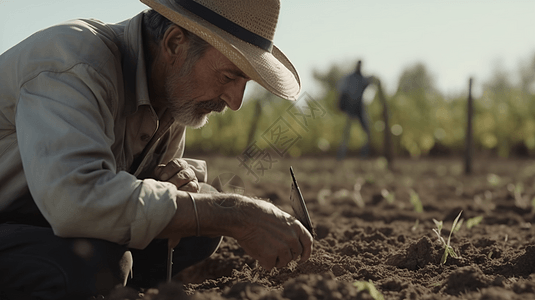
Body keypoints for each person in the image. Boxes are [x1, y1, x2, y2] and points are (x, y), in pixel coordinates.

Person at [0, 0, 313, 299]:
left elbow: (149, 199)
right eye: (229, 76)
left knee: (198, 214)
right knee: (94, 265)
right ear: (175, 43)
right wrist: (236, 213)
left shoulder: (172, 94)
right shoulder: (72, 60)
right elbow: (76, 199)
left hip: (38, 222)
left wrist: (172, 184)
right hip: (22, 219)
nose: (234, 101)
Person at [336, 60, 376, 160]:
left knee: (366, 131)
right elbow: (343, 92)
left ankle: (365, 152)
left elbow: (370, 82)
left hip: (359, 107)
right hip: (351, 107)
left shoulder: (362, 78)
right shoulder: (350, 78)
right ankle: (341, 154)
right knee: (347, 131)